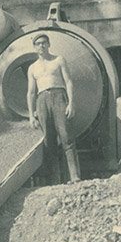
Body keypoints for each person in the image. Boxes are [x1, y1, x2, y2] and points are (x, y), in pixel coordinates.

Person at [27, 33, 81, 183]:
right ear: (35, 47)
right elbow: (31, 93)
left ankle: (74, 176)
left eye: (44, 43)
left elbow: (69, 82)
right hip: (42, 99)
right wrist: (31, 115)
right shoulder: (33, 68)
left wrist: (71, 103)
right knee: (48, 140)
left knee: (66, 136)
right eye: (38, 44)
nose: (41, 46)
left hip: (59, 96)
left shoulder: (58, 60)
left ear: (49, 44)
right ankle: (54, 179)